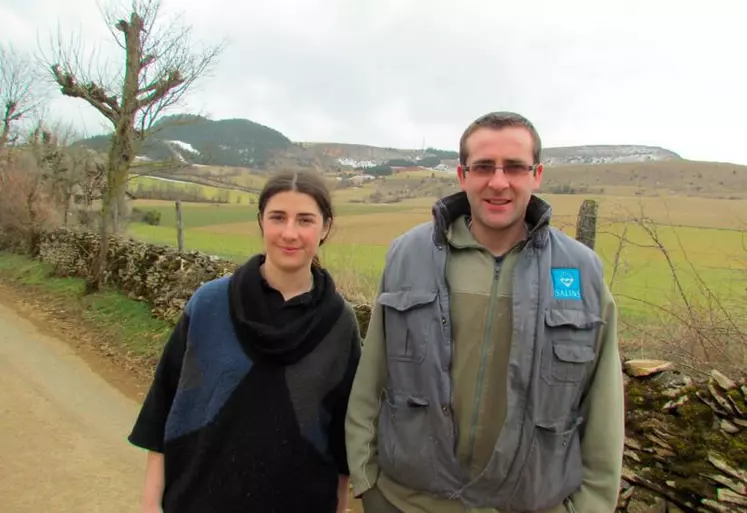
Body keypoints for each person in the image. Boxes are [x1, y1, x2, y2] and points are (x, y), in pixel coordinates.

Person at [345, 111, 625, 513]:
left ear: (537, 174)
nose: (498, 182)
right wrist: (368, 483)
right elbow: (371, 379)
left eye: (514, 166)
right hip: (406, 503)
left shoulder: (582, 272)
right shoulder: (408, 256)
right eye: (483, 167)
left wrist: (590, 507)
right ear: (462, 175)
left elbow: (603, 410)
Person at [128, 169, 362, 513]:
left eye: (305, 220)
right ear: (261, 222)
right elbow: (163, 405)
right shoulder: (209, 304)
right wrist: (151, 502)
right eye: (278, 217)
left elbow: (342, 435)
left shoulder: (339, 324)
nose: (290, 233)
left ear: (325, 227)